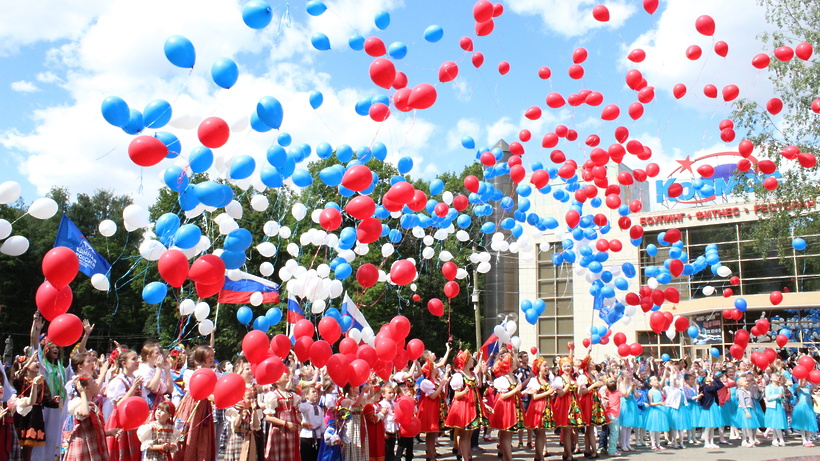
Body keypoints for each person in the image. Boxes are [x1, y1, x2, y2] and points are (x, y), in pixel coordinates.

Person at [12, 353, 59, 461]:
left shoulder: (42, 382)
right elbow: (17, 376)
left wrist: (54, 401)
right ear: (26, 365)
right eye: (34, 361)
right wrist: (28, 360)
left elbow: (46, 400)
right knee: (16, 445)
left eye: (37, 361)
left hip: (35, 416)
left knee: (28, 449)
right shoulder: (21, 380)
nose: (37, 363)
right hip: (22, 414)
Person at [173, 345, 215, 461]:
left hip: (204, 405)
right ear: (201, 358)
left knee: (202, 435)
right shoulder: (190, 373)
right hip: (192, 405)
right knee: (189, 431)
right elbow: (196, 390)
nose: (211, 358)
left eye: (212, 355)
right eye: (208, 356)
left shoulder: (213, 373)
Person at [64, 375, 120, 461]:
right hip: (84, 447)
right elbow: (85, 413)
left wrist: (109, 432)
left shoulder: (91, 404)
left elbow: (92, 430)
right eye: (93, 383)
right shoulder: (79, 404)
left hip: (92, 445)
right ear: (87, 388)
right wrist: (82, 392)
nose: (97, 384)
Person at [445, 350, 486, 461]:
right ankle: (465, 457)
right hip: (463, 406)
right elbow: (457, 395)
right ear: (466, 361)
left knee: (469, 434)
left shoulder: (472, 374)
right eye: (470, 359)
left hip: (473, 405)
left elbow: (477, 372)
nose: (472, 360)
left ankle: (468, 455)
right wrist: (465, 391)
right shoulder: (459, 376)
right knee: (464, 434)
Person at [105, 349, 143, 461]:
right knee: (121, 453)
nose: (137, 361)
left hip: (135, 421)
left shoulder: (136, 379)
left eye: (137, 358)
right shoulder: (118, 381)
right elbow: (119, 404)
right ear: (124, 363)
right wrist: (133, 388)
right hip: (121, 422)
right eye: (133, 359)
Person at [488, 350, 523, 461]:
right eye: (512, 362)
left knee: (509, 434)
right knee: (506, 433)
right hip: (506, 406)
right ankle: (508, 457)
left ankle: (505, 456)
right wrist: (516, 390)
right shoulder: (502, 379)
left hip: (514, 405)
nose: (515, 363)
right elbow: (503, 396)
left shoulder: (515, 377)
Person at [223, 360, 260, 461]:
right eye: (247, 369)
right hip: (238, 431)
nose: (250, 371)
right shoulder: (235, 388)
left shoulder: (254, 388)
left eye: (251, 368)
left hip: (249, 431)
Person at [262, 370, 300, 461]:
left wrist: (302, 422)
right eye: (281, 373)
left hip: (291, 431)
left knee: (290, 455)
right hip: (279, 430)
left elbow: (294, 414)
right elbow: (269, 417)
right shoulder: (273, 395)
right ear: (276, 380)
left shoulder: (292, 395)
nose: (286, 374)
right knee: (278, 455)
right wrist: (286, 424)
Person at [551, 353, 583, 461]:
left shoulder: (573, 377)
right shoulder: (559, 379)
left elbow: (577, 393)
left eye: (568, 366)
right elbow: (560, 394)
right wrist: (568, 385)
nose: (567, 368)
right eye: (564, 366)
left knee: (570, 430)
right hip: (564, 405)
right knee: (567, 430)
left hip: (573, 404)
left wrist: (580, 387)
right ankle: (569, 455)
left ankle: (566, 453)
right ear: (561, 367)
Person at [523, 356, 554, 461]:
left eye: (547, 365)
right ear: (538, 367)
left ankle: (538, 456)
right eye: (544, 365)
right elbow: (534, 397)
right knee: (540, 433)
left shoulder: (547, 379)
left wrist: (551, 394)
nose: (547, 367)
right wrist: (548, 393)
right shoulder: (534, 380)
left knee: (542, 433)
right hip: (538, 407)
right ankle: (540, 456)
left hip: (547, 406)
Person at [416, 359, 448, 461]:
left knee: (434, 433)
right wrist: (442, 385)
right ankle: (430, 455)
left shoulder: (437, 380)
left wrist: (445, 383)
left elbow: (443, 395)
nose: (436, 368)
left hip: (437, 407)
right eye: (434, 367)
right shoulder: (426, 382)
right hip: (429, 408)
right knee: (430, 433)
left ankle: (432, 453)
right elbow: (433, 396)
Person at [576, 356, 605, 458]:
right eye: (592, 362)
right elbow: (582, 392)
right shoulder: (583, 377)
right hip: (587, 402)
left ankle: (588, 449)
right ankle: (594, 450)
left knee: (589, 428)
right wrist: (593, 386)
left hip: (594, 401)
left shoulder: (593, 375)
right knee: (590, 426)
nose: (594, 364)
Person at [698, 372, 724, 449]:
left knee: (712, 426)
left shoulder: (711, 387)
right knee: (708, 426)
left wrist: (716, 379)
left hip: (713, 406)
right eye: (709, 381)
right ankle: (706, 442)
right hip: (708, 408)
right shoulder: (706, 387)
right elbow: (717, 387)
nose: (711, 382)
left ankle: (712, 442)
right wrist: (714, 380)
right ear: (705, 382)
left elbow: (721, 385)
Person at [643, 376, 668, 451]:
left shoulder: (660, 391)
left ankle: (658, 443)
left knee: (658, 428)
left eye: (657, 379)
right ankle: (653, 444)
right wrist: (659, 403)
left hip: (660, 410)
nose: (656, 381)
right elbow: (651, 403)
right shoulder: (650, 391)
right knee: (653, 428)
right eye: (654, 380)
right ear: (650, 383)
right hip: (654, 411)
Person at [790, 378, 817, 447]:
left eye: (805, 381)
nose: (803, 382)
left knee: (809, 423)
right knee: (802, 423)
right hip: (801, 407)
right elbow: (798, 387)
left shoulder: (808, 388)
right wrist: (800, 380)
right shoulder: (798, 388)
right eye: (802, 380)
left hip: (808, 407)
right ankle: (804, 439)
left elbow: (815, 386)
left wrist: (809, 380)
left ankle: (809, 438)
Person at [764, 373, 788, 447]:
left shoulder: (781, 387)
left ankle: (775, 440)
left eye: (777, 376)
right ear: (771, 379)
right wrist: (777, 396)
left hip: (779, 406)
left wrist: (782, 397)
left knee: (777, 423)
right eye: (774, 376)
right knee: (775, 423)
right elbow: (768, 397)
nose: (776, 377)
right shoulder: (768, 387)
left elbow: (783, 397)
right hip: (772, 407)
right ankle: (780, 439)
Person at [732, 376, 756, 448]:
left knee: (747, 426)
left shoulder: (748, 391)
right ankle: (749, 440)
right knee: (746, 425)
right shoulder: (740, 391)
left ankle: (745, 440)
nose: (747, 382)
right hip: (743, 409)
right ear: (741, 383)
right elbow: (742, 401)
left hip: (749, 408)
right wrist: (746, 410)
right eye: (745, 381)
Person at [378, 384, 397, 461]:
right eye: (389, 393)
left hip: (393, 428)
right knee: (387, 450)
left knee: (392, 449)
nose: (392, 394)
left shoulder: (394, 403)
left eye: (392, 393)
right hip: (386, 429)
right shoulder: (382, 404)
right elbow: (382, 419)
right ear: (383, 394)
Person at [602, 378, 621, 456]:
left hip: (608, 414)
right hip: (614, 415)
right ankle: (612, 450)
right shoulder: (618, 393)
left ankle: (612, 449)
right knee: (614, 433)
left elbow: (602, 389)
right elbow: (625, 393)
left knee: (611, 433)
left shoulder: (606, 393)